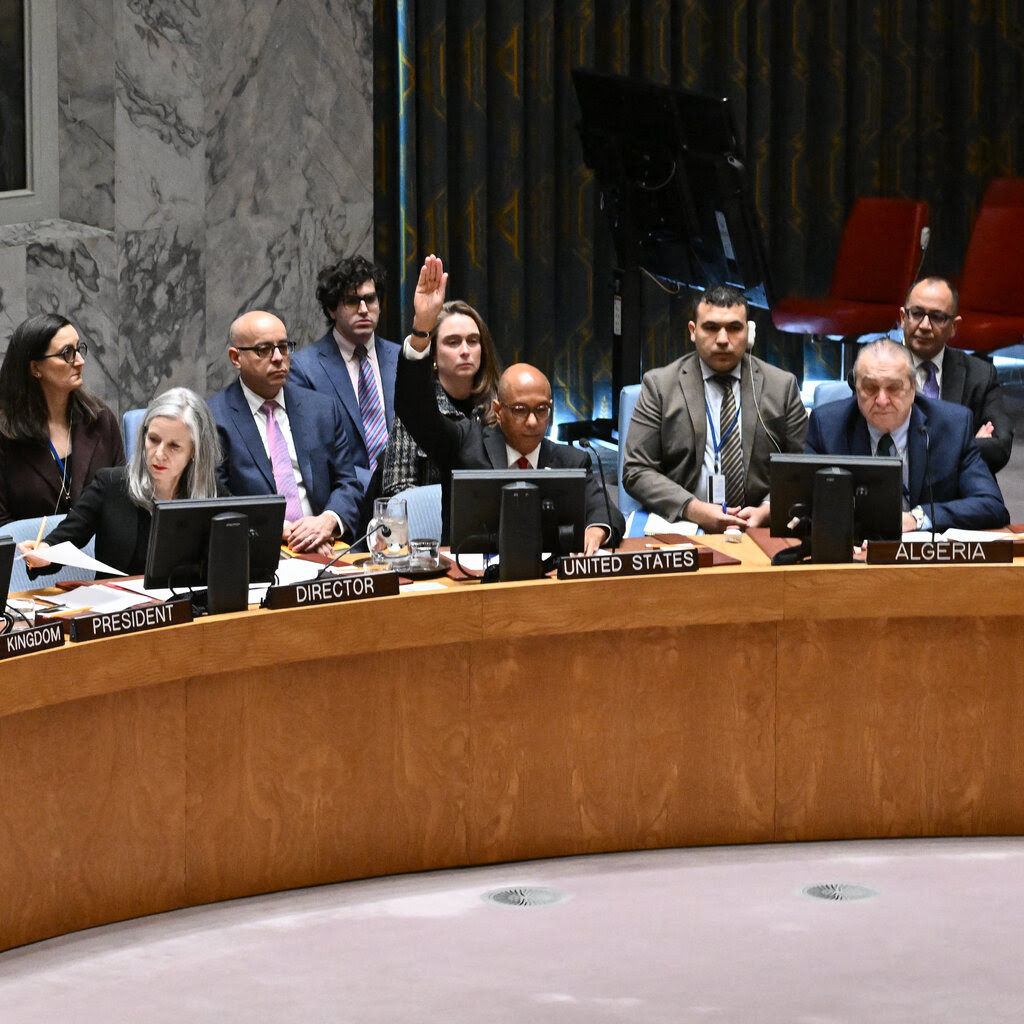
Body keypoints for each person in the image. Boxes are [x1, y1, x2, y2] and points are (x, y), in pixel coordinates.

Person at [395, 255, 624, 556]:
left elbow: (607, 511)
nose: (532, 422)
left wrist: (596, 530)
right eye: (520, 411)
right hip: (472, 581)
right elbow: (414, 410)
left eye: (541, 410)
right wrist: (422, 329)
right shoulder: (466, 446)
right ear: (499, 412)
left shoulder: (571, 461)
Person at [622, 284, 807, 531]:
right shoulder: (660, 386)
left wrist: (769, 509)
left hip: (760, 527)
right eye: (710, 328)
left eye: (734, 328)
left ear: (749, 333)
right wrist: (693, 509)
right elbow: (636, 470)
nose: (722, 339)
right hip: (685, 526)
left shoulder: (782, 387)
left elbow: (803, 466)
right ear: (693, 331)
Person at [806, 339, 1009, 532]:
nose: (882, 400)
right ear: (857, 388)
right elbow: (805, 504)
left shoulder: (952, 426)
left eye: (893, 388)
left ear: (913, 388)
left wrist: (917, 518)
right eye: (870, 388)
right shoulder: (828, 426)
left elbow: (991, 505)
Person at [208, 310, 364, 555]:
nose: (279, 357)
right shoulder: (214, 418)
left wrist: (328, 521)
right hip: (257, 551)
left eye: (283, 346)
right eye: (264, 349)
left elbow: (348, 483)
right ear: (236, 357)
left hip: (328, 545)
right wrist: (280, 530)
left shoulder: (321, 409)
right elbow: (216, 500)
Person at [19, 388, 220, 578]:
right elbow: (64, 539)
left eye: (174, 446)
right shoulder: (111, 485)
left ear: (195, 451)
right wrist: (43, 553)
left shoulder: (213, 494)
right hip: (119, 611)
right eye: (153, 439)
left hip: (191, 611)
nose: (159, 454)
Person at [0, 313, 124, 525]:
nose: (80, 361)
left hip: (96, 555)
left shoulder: (100, 420)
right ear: (35, 368)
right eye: (67, 353)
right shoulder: (4, 434)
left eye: (78, 349)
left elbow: (122, 500)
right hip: (27, 555)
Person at [290, 254, 399, 491]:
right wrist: (375, 486)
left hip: (407, 499)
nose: (363, 309)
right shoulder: (304, 369)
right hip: (343, 499)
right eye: (352, 301)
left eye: (370, 299)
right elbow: (316, 452)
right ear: (331, 309)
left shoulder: (401, 359)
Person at [379, 299, 502, 497]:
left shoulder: (499, 406)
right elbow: (396, 490)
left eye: (473, 341)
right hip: (428, 524)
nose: (465, 351)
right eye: (453, 342)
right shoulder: (417, 408)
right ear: (434, 354)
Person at [898, 276, 1013, 474]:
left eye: (937, 317)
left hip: (960, 493)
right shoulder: (873, 368)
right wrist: (965, 443)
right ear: (903, 318)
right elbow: (866, 444)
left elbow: (999, 448)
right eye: (916, 314)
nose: (925, 326)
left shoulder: (980, 375)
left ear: (954, 326)